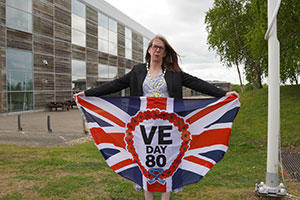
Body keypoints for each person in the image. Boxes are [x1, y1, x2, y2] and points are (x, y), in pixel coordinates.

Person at [74, 34, 239, 200]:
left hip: (169, 127)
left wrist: (223, 93)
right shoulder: (138, 71)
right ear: (149, 49)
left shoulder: (174, 73)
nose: (157, 50)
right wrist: (88, 93)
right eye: (154, 47)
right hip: (142, 127)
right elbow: (115, 84)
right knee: (146, 161)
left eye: (161, 48)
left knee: (167, 159)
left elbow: (197, 83)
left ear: (165, 53)